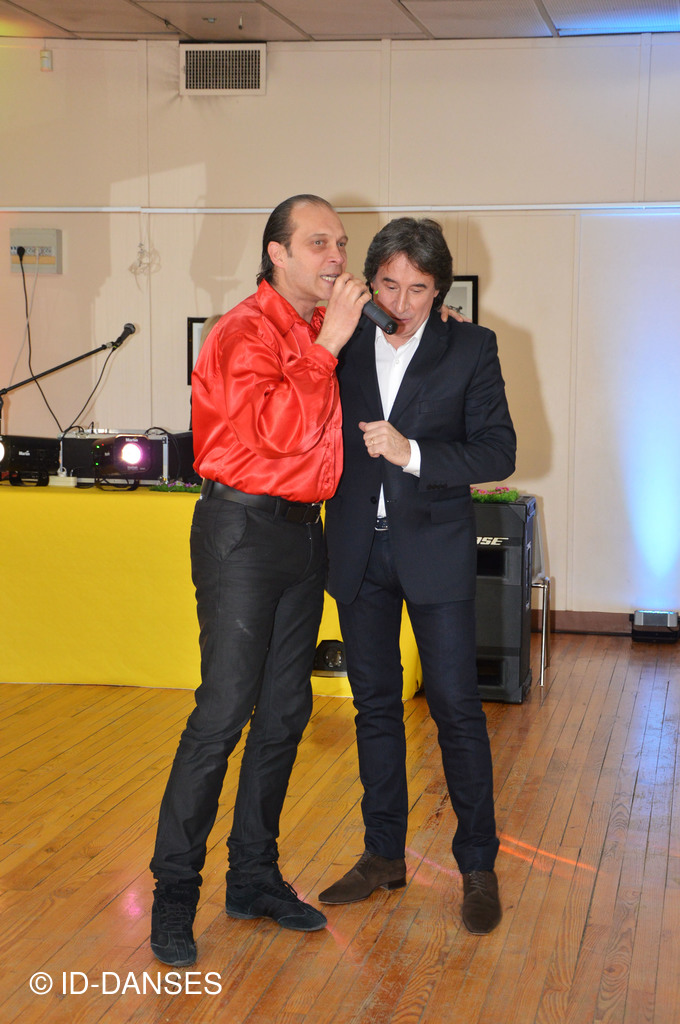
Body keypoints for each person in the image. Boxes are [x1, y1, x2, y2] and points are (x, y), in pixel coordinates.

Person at [149, 194, 371, 966]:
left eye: (341, 243)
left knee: (284, 712)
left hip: (302, 532)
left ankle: (252, 878)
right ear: (277, 253)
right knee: (223, 713)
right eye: (319, 243)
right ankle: (174, 893)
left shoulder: (320, 330)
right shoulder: (242, 332)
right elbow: (277, 431)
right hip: (240, 532)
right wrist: (329, 345)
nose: (336, 256)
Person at [320, 217, 516, 935]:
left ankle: (478, 867)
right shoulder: (338, 343)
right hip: (355, 552)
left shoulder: (472, 345)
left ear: (441, 291)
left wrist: (414, 454)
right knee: (374, 709)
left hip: (435, 550)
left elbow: (499, 450)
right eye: (389, 285)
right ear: (369, 281)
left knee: (457, 711)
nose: (401, 303)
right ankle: (383, 856)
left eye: (419, 289)